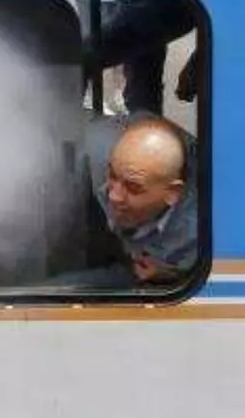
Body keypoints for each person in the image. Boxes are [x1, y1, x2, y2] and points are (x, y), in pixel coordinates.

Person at [52, 115, 199, 291]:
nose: (114, 196)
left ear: (172, 193)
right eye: (112, 176)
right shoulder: (92, 151)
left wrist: (173, 274)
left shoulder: (198, 236)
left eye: (133, 187)